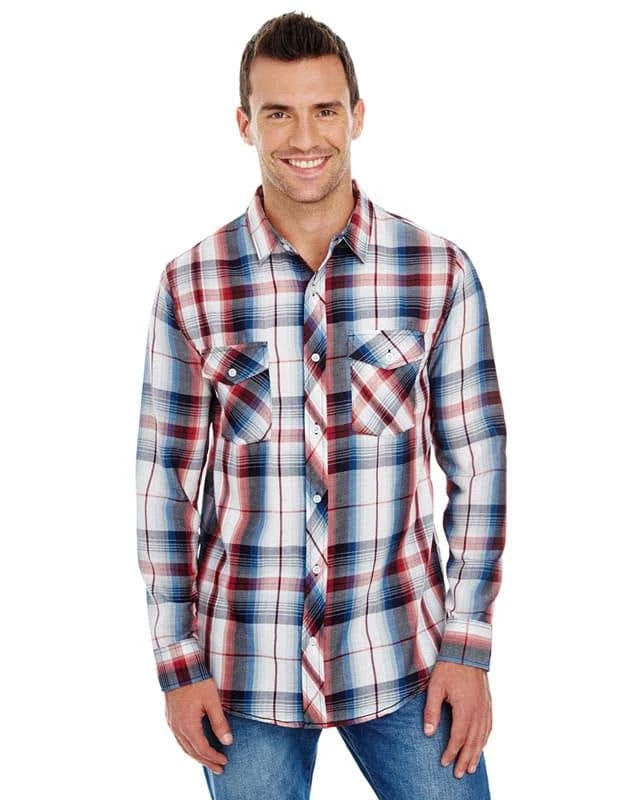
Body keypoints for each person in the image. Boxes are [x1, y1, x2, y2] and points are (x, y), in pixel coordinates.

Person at [135, 11, 507, 800]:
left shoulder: (437, 272)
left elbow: (479, 465)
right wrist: (177, 661)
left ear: (357, 116)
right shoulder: (190, 285)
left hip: (405, 655)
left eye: (325, 110)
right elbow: (164, 482)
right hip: (245, 671)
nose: (304, 137)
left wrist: (468, 645)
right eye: (278, 112)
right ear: (245, 124)